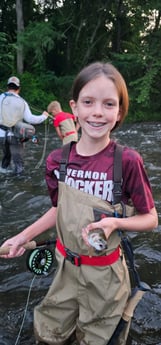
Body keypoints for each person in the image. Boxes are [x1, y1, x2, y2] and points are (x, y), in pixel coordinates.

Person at [0, 62, 158, 345]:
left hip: (107, 276)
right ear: (74, 108)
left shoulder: (128, 161)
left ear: (119, 111)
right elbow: (57, 209)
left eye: (108, 104)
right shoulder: (56, 161)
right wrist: (22, 237)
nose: (97, 112)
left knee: (97, 339)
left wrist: (116, 222)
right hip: (64, 269)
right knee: (49, 333)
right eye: (88, 102)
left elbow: (150, 219)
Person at [0, 76, 49, 175]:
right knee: (19, 165)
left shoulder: (1, 98)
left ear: (7, 87)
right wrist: (44, 116)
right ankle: (19, 185)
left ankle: (4, 178)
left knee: (6, 159)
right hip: (15, 136)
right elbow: (30, 119)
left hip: (1, 136)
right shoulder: (22, 102)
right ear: (19, 88)